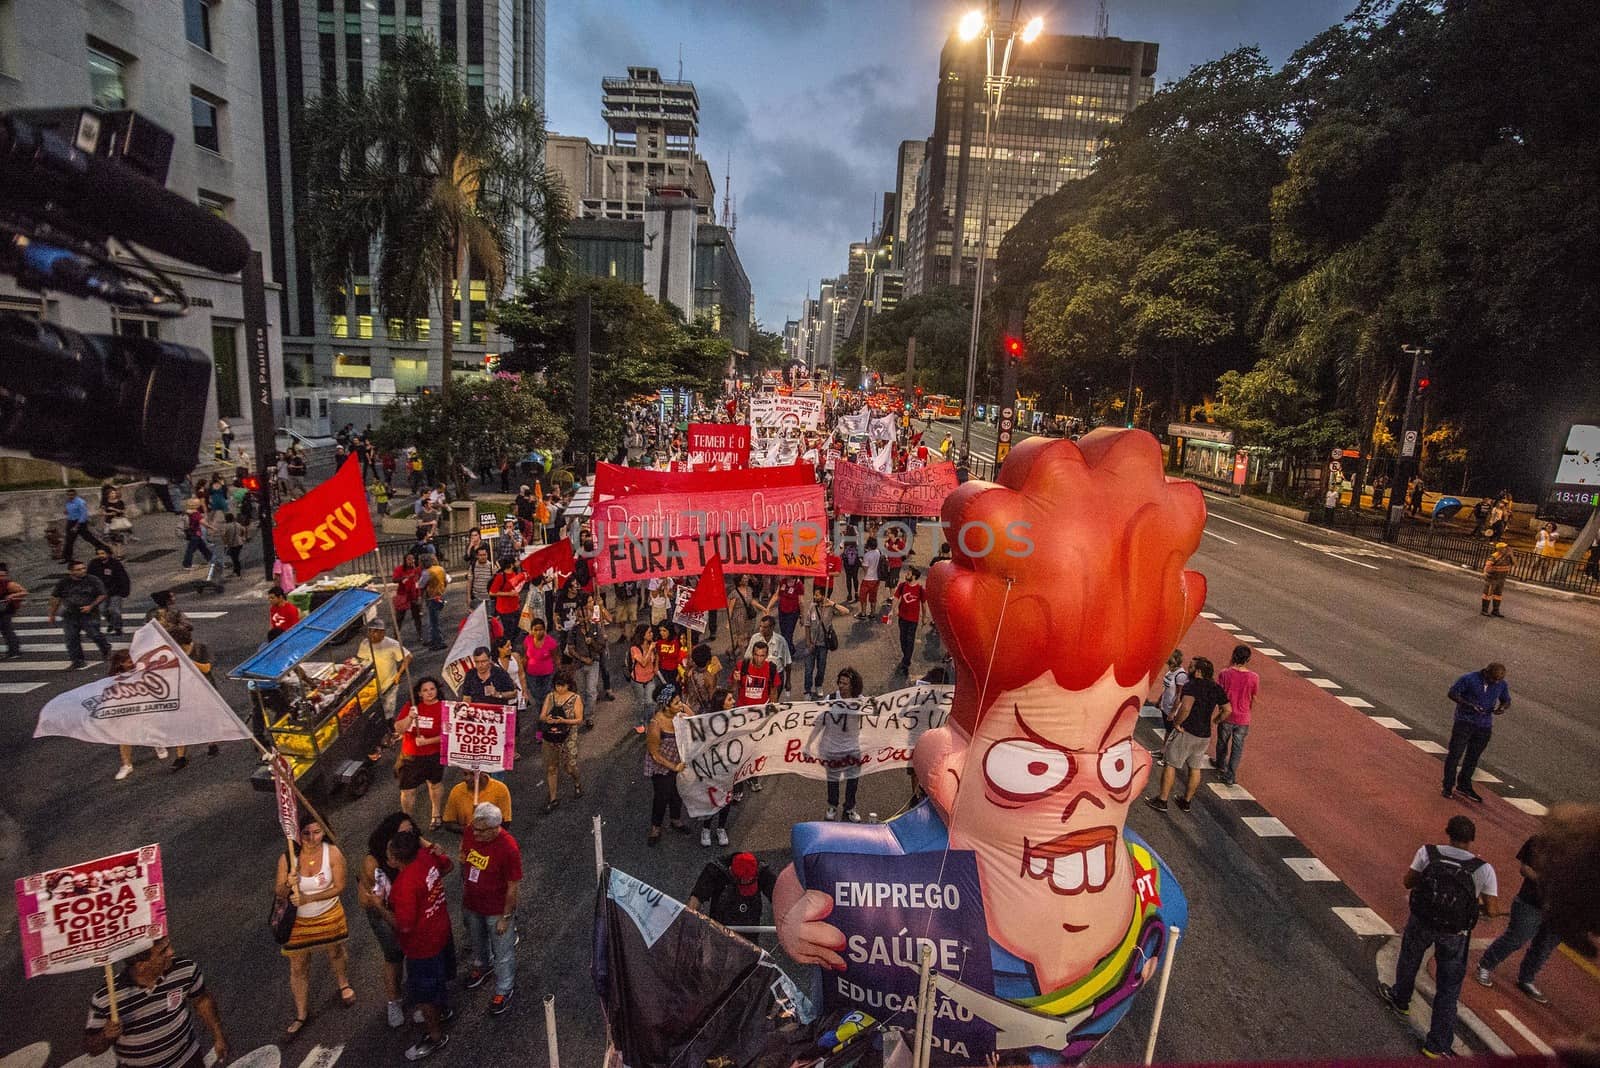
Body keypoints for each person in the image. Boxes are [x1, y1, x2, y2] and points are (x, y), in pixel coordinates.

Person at [1379, 815, 1500, 1058]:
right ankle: (1436, 1044)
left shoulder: (1428, 853)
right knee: (1448, 987)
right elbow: (1493, 910)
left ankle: (1401, 1000)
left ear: (1448, 833)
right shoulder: (1483, 869)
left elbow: (1408, 882)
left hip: (1422, 921)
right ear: (1471, 839)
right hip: (1455, 933)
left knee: (1409, 959)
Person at [83, 936, 228, 1067]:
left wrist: (218, 1036)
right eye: (162, 951)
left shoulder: (185, 970)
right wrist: (106, 1035)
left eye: (168, 946)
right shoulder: (105, 999)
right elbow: (92, 1048)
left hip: (188, 1061)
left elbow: (202, 1001)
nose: (171, 952)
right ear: (141, 965)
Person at [274, 811, 353, 1035]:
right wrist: (288, 884)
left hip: (329, 913)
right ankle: (301, 1013)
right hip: (298, 922)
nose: (311, 838)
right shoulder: (288, 858)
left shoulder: (333, 853)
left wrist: (309, 898)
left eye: (317, 832)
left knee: (336, 952)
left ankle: (343, 983)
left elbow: (339, 886)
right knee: (298, 965)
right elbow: (279, 893)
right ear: (297, 835)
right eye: (306, 833)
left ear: (324, 832)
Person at [388, 829, 454, 1061]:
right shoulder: (426, 857)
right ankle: (444, 1009)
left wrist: (376, 905)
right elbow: (448, 865)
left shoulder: (403, 885)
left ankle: (435, 1036)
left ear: (396, 860)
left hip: (422, 947)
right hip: (441, 930)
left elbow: (404, 926)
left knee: (424, 995)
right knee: (440, 978)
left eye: (390, 854)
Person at [358, 811, 422, 1030]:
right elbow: (369, 900)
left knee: (416, 953)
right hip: (383, 912)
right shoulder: (373, 861)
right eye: (403, 833)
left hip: (408, 906)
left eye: (411, 831)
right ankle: (394, 1001)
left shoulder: (412, 844)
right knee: (394, 955)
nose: (409, 836)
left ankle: (418, 996)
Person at [1476, 833, 1557, 1003]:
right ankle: (1485, 964)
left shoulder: (1585, 855)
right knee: (1516, 938)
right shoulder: (1542, 841)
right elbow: (1525, 868)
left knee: (1544, 947)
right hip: (1532, 902)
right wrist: (1547, 883)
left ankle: (1526, 978)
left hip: (1560, 911)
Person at [459, 802, 522, 1015]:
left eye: (481, 830)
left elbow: (513, 886)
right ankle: (483, 966)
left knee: (502, 951)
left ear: (495, 828)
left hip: (496, 909)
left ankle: (504, 988)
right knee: (477, 941)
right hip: (472, 903)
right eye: (474, 828)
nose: (474, 833)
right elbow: (464, 852)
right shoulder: (470, 831)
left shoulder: (508, 847)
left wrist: (506, 917)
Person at [1146, 656, 1229, 813]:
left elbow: (1186, 708)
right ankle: (1186, 801)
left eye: (1191, 667)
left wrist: (1177, 723)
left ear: (1198, 672)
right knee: (1195, 768)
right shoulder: (1216, 688)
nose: (1188, 669)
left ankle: (1162, 800)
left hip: (1187, 731)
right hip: (1204, 735)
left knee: (1171, 763)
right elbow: (1228, 709)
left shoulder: (1192, 686)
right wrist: (1217, 720)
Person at [1442, 662, 1510, 802]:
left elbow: (1506, 700)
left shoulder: (1501, 684)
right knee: (1455, 755)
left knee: (1472, 758)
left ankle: (1464, 785)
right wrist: (1468, 705)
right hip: (1464, 722)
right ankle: (1447, 786)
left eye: (1498, 681)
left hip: (1484, 726)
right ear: (1486, 672)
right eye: (1493, 680)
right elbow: (1453, 693)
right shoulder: (1469, 679)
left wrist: (1502, 707)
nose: (1495, 683)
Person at [688, 851, 777, 943]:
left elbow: (779, 898)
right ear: (731, 872)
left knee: (748, 949)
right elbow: (697, 897)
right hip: (720, 922)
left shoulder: (761, 870)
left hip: (750, 922)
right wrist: (689, 918)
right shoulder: (715, 869)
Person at [396, 677, 448, 829]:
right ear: (419, 693)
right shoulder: (411, 707)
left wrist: (427, 741)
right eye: (425, 690)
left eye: (432, 689)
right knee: (407, 790)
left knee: (434, 785)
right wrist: (410, 717)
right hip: (410, 755)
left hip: (433, 755)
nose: (429, 693)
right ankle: (407, 820)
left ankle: (436, 813)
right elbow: (399, 728)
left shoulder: (444, 707)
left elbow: (448, 734)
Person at [645, 683, 691, 845]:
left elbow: (695, 720)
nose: (681, 705)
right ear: (666, 705)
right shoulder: (655, 725)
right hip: (662, 767)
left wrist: (683, 706)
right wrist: (674, 767)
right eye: (677, 703)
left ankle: (675, 819)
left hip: (678, 762)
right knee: (662, 796)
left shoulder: (679, 714)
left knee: (677, 793)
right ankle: (655, 827)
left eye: (681, 701)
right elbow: (654, 754)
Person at [49, 558, 111, 670]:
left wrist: (91, 606)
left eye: (83, 568)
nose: (82, 571)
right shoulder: (63, 583)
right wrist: (52, 614)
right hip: (70, 614)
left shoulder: (93, 580)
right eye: (78, 569)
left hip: (88, 613)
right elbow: (56, 598)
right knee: (71, 638)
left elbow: (102, 594)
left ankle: (105, 648)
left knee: (94, 634)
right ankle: (77, 661)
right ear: (71, 571)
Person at [822, 666, 866, 821]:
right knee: (833, 779)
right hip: (833, 747)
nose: (841, 686)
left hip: (853, 748)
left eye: (845, 683)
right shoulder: (830, 698)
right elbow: (820, 719)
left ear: (853, 685)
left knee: (853, 779)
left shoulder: (860, 701)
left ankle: (850, 807)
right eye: (840, 682)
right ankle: (832, 806)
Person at [538, 669, 584, 812]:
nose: (560, 689)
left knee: (569, 767)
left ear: (569, 685)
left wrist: (564, 720)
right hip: (551, 737)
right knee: (551, 767)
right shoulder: (550, 697)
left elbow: (579, 719)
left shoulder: (575, 698)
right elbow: (542, 716)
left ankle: (576, 782)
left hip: (568, 736)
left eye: (563, 685)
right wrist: (548, 719)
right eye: (558, 685)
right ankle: (553, 798)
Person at [1214, 644, 1259, 787]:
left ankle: (1221, 764)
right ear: (1248, 659)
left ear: (1233, 656)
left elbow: (1219, 693)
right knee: (1237, 748)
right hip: (1244, 717)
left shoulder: (1224, 674)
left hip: (1227, 714)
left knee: (1222, 742)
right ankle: (1230, 775)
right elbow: (1253, 696)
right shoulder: (1254, 677)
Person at [799, 587, 849, 698]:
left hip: (823, 645)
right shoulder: (812, 607)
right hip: (811, 644)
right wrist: (808, 642)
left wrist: (832, 604)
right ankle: (807, 690)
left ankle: (818, 685)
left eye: (817, 595)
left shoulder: (830, 608)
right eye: (814, 595)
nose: (815, 597)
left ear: (823, 596)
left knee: (821, 668)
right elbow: (807, 624)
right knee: (808, 669)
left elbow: (846, 611)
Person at [564, 614, 606, 730]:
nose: (581, 619)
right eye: (579, 616)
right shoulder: (573, 630)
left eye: (583, 616)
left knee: (591, 691)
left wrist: (591, 642)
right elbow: (571, 649)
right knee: (581, 691)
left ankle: (589, 716)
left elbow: (601, 647)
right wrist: (583, 659)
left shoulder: (595, 628)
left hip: (593, 663)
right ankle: (580, 713)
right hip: (578, 665)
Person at [522, 619, 558, 738]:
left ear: (545, 630)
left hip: (547, 675)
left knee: (545, 700)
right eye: (535, 630)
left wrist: (557, 674)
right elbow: (525, 657)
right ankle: (545, 723)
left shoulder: (551, 642)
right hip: (531, 675)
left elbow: (555, 658)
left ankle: (542, 727)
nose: (538, 632)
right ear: (531, 630)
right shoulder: (527, 641)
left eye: (540, 629)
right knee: (538, 701)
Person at [443, 770, 513, 831]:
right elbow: (448, 822)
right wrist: (469, 830)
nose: (467, 778)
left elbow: (505, 823)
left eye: (473, 774)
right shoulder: (457, 790)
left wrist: (483, 831)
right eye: (465, 774)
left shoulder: (501, 789)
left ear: (484, 772)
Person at [892, 565, 928, 677]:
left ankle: (906, 663)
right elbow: (896, 598)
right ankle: (905, 657)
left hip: (913, 620)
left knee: (910, 640)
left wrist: (924, 617)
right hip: (902, 618)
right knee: (903, 639)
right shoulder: (902, 586)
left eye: (908, 573)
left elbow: (923, 603)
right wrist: (895, 608)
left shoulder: (920, 589)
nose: (906, 575)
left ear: (914, 576)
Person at [87, 546, 130, 637]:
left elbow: (123, 578)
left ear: (108, 554)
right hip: (101, 592)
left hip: (115, 591)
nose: (101, 556)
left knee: (114, 610)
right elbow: (89, 578)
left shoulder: (115, 564)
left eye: (102, 553)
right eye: (99, 554)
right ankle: (112, 622)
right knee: (102, 610)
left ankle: (118, 628)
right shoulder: (94, 564)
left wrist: (124, 590)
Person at [744, 615, 791, 693]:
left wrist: (788, 681)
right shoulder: (755, 638)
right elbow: (747, 658)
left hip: (776, 676)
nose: (761, 629)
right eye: (760, 626)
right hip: (759, 676)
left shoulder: (781, 641)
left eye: (765, 627)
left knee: (773, 702)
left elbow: (788, 663)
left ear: (772, 627)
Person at [627, 623, 659, 734]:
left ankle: (649, 722)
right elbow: (644, 662)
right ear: (643, 635)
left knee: (651, 702)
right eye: (649, 632)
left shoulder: (652, 646)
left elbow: (656, 656)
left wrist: (656, 666)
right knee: (640, 703)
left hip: (650, 678)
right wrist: (650, 649)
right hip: (638, 681)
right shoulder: (635, 648)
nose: (652, 634)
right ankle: (639, 723)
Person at [63, 489, 109, 562]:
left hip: (79, 522)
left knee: (89, 538)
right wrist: (66, 512)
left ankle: (105, 549)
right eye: (68, 495)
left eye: (72, 495)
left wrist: (76, 526)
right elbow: (69, 511)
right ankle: (67, 558)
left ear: (75, 495)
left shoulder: (80, 502)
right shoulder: (68, 502)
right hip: (70, 521)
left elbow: (83, 515)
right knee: (69, 540)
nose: (70, 496)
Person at [732, 641, 782, 708]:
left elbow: (773, 692)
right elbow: (731, 689)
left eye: (762, 656)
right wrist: (735, 680)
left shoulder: (771, 669)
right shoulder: (741, 666)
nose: (758, 659)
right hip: (743, 708)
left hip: (762, 709)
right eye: (756, 655)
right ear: (752, 654)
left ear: (767, 655)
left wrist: (774, 708)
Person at [488, 557, 527, 640]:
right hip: (505, 609)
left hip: (515, 606)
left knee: (517, 627)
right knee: (508, 631)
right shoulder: (500, 577)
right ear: (511, 565)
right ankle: (508, 646)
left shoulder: (514, 573)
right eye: (515, 562)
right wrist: (508, 594)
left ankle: (511, 643)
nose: (518, 563)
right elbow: (492, 592)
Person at [765, 575, 807, 652]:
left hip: (792, 613)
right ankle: (791, 649)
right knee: (784, 633)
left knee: (788, 635)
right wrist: (768, 607)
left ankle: (787, 656)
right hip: (782, 611)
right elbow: (776, 595)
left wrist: (802, 616)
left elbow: (801, 602)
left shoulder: (799, 585)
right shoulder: (782, 582)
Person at [392, 552, 425, 642]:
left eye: (413, 559)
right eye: (409, 559)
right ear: (405, 560)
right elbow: (394, 579)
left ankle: (420, 634)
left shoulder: (417, 570)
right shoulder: (399, 569)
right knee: (399, 618)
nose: (411, 561)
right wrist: (404, 577)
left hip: (414, 596)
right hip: (403, 596)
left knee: (417, 617)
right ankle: (396, 637)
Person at [421, 553, 448, 649]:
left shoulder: (426, 572)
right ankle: (434, 639)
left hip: (432, 597)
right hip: (440, 595)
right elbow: (446, 581)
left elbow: (421, 585)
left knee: (433, 622)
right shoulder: (440, 569)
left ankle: (438, 642)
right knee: (435, 620)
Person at [0, 561, 26, 657]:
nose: (1, 578)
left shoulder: (9, 584)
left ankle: (14, 651)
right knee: (6, 630)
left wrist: (12, 595)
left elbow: (23, 592)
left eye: (3, 576)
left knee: (7, 629)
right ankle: (13, 650)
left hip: (5, 610)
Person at [1481, 542, 1514, 617]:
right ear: (1500, 549)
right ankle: (1484, 610)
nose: (1507, 549)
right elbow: (1487, 566)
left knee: (1498, 595)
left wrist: (1511, 555)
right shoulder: (1494, 556)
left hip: (1501, 579)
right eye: (1505, 548)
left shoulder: (1508, 556)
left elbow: (1515, 563)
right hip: (1492, 578)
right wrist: (1486, 574)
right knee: (1488, 594)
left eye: (1506, 547)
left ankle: (1495, 610)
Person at [180, 498, 213, 570]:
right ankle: (187, 565)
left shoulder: (186, 512)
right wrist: (212, 528)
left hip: (190, 533)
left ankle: (211, 560)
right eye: (198, 503)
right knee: (191, 550)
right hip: (195, 533)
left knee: (203, 548)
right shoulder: (195, 513)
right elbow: (203, 523)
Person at [857, 536, 883, 618]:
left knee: (863, 596)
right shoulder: (878, 552)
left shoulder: (867, 555)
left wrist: (861, 562)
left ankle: (863, 612)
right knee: (873, 597)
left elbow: (865, 568)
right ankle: (872, 613)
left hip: (868, 578)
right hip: (876, 578)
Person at [217, 512, 247, 577]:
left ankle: (237, 572)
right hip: (239, 543)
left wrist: (225, 542)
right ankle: (236, 570)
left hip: (232, 544)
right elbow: (243, 529)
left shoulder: (226, 526)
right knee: (235, 557)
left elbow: (222, 535)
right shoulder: (237, 524)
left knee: (234, 558)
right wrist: (243, 537)